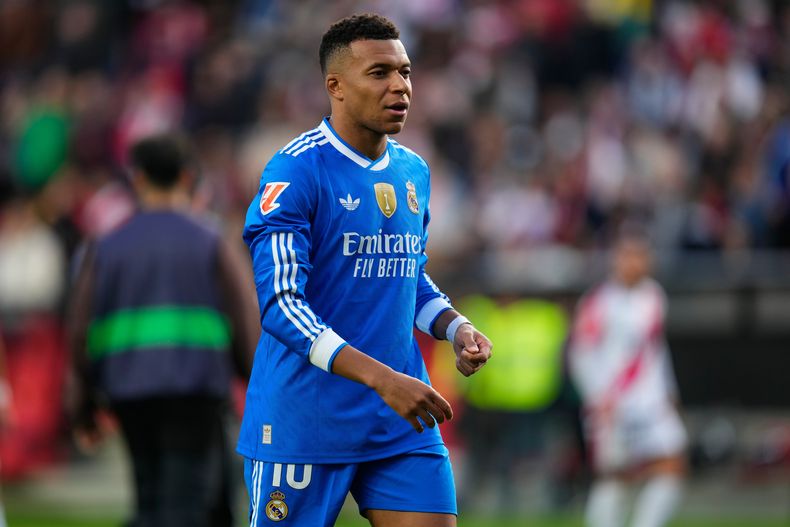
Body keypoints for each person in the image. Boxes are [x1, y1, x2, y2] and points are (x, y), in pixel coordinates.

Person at [238, 13, 492, 527]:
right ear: (335, 86)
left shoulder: (413, 170)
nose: (400, 86)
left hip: (398, 418)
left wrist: (454, 326)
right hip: (306, 418)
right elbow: (283, 305)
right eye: (379, 73)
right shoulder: (295, 171)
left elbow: (406, 276)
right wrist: (383, 379)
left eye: (405, 71)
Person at [68, 134, 258, 527]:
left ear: (137, 178)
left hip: (128, 390)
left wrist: (84, 405)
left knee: (151, 497)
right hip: (196, 390)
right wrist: (256, 387)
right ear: (189, 177)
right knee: (185, 503)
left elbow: (79, 331)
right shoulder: (211, 240)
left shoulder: (105, 246)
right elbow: (244, 319)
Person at [568, 232, 687, 527]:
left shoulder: (654, 296)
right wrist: (597, 399)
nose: (635, 262)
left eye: (641, 255)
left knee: (672, 464)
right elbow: (579, 354)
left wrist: (669, 389)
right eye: (628, 255)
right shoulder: (599, 302)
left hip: (651, 401)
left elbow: (655, 348)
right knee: (613, 476)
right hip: (613, 403)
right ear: (616, 260)